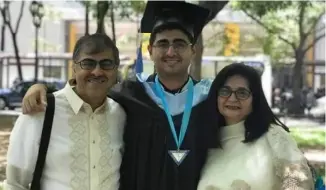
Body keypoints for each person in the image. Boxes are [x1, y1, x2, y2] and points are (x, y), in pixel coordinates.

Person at [20, 1, 228, 190]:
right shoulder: (129, 95)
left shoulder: (211, 99)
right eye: (163, 43)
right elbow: (87, 89)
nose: (171, 51)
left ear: (193, 50)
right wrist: (41, 88)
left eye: (180, 44)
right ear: (150, 50)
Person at [4, 33, 126, 190]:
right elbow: (15, 183)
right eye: (88, 63)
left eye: (106, 64)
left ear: (116, 70)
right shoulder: (41, 111)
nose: (97, 71)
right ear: (74, 68)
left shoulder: (121, 115)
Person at [197, 63, 314, 190]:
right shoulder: (205, 142)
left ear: (255, 99)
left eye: (242, 93)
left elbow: (299, 183)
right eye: (225, 91)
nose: (232, 98)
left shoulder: (274, 137)